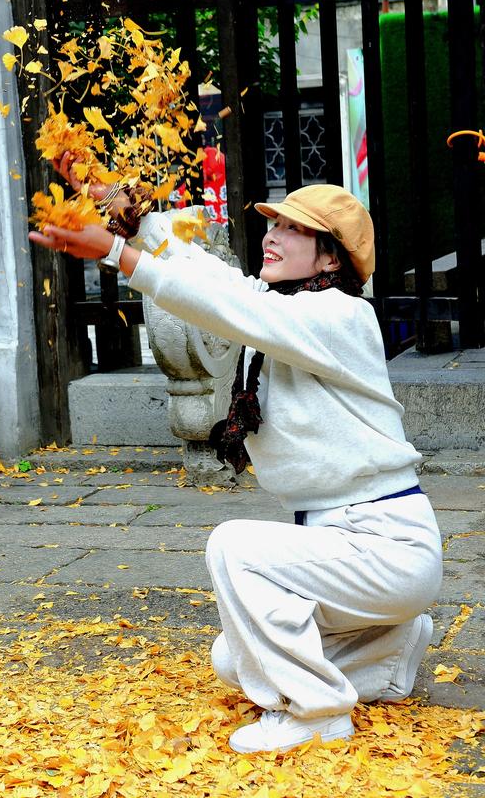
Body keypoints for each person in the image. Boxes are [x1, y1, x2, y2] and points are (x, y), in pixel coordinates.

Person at [29, 155, 443, 756]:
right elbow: (218, 281)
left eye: (294, 229)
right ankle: (388, 651)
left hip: (383, 545)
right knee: (234, 657)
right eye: (274, 224)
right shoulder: (290, 309)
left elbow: (235, 309)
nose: (272, 236)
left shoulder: (338, 315)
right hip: (350, 549)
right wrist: (130, 214)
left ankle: (319, 711)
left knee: (234, 547)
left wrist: (120, 258)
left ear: (331, 258)